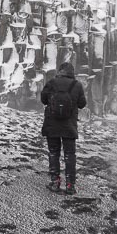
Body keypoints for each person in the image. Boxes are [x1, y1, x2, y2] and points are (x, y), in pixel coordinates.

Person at [40, 61, 87, 194]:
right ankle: (70, 185)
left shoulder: (51, 82)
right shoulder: (77, 85)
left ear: (60, 71)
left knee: (54, 153)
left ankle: (55, 182)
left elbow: (43, 99)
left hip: (52, 125)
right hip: (69, 126)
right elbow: (82, 104)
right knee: (70, 155)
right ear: (72, 72)